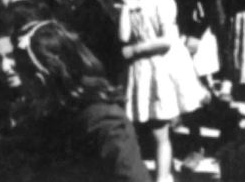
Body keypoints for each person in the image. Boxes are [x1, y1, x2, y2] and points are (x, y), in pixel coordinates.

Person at [111, 0, 208, 182]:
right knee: (154, 129)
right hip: (142, 72)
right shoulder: (129, 2)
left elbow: (167, 40)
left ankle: (164, 177)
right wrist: (125, 6)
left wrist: (136, 49)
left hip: (162, 69)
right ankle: (167, 172)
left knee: (160, 130)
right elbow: (123, 36)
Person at [11, 19, 150, 182]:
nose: (23, 89)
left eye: (24, 79)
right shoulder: (51, 118)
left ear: (40, 80)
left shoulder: (104, 123)